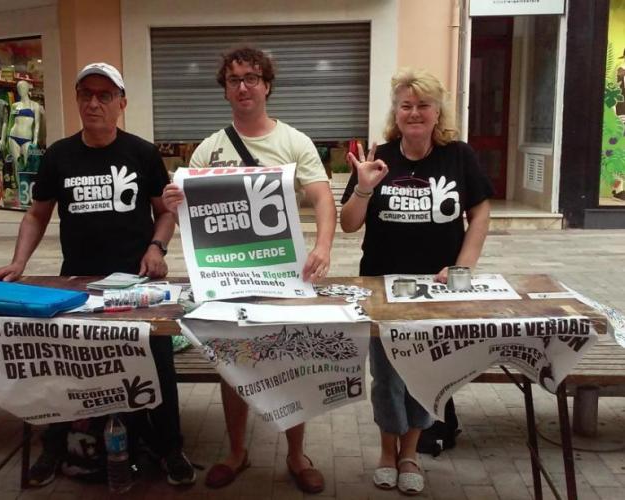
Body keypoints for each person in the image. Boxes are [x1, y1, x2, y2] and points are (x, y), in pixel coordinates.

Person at [0, 62, 195, 488]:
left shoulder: (142, 153)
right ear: (77, 100)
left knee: (157, 360)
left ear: (122, 103)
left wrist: (156, 248)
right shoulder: (59, 155)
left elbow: (164, 213)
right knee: (66, 366)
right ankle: (54, 445)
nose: (94, 103)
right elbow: (37, 214)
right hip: (77, 285)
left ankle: (170, 447)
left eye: (104, 95)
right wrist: (18, 262)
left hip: (138, 284)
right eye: (86, 95)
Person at [162, 46, 336, 494]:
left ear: (267, 86)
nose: (243, 86)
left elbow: (321, 197)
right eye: (234, 79)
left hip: (283, 275)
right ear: (225, 89)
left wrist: (323, 246)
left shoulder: (294, 142)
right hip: (228, 277)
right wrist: (173, 203)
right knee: (232, 363)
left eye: (252, 78)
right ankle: (237, 452)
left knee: (291, 360)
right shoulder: (209, 148)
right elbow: (188, 215)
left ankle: (297, 455)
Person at [340, 68, 492, 495]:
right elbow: (349, 224)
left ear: (438, 111)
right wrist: (364, 188)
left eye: (423, 105)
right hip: (381, 286)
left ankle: (410, 453)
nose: (414, 113)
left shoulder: (459, 156)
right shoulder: (379, 156)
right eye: (406, 105)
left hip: (436, 288)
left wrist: (463, 267)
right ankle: (387, 452)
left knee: (425, 373)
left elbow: (480, 213)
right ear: (396, 112)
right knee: (387, 377)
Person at [8, 80, 41, 170]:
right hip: (13, 137)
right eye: (18, 88)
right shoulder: (14, 105)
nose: (20, 90)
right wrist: (6, 138)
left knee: (28, 166)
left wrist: (35, 140)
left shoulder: (35, 105)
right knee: (17, 166)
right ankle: (17, 180)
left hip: (27, 138)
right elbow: (10, 122)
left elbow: (37, 123)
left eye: (23, 87)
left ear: (27, 89)